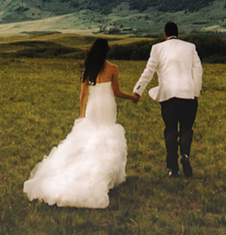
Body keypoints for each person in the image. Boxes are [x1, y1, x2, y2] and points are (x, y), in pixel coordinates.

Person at [22, 37, 140, 209]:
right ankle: (103, 174)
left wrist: (82, 114)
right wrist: (132, 97)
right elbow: (116, 92)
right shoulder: (113, 68)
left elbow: (83, 95)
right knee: (106, 136)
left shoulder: (89, 68)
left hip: (93, 107)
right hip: (107, 106)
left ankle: (81, 169)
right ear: (106, 52)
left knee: (90, 135)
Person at [132, 21, 203, 178]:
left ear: (165, 34)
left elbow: (148, 71)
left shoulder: (157, 49)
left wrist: (138, 91)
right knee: (186, 129)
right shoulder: (190, 47)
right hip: (188, 95)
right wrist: (196, 91)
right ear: (178, 33)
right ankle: (185, 155)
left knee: (170, 129)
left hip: (168, 96)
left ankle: (174, 169)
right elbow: (198, 69)